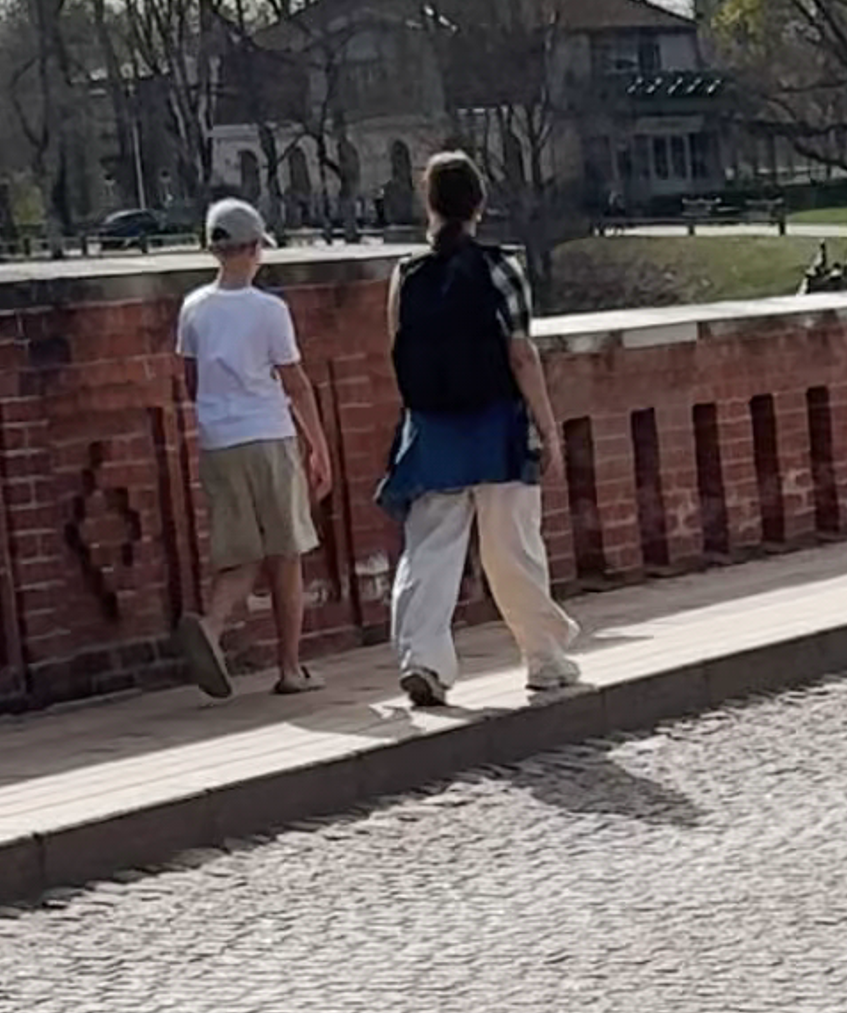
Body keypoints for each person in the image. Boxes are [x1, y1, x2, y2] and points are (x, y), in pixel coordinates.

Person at [380, 147, 583, 714]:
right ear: (480, 205)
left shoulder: (406, 274)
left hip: (432, 430)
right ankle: (543, 658)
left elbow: (398, 350)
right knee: (512, 548)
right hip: (496, 423)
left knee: (429, 553)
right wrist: (548, 428)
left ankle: (423, 660)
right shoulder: (503, 267)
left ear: (429, 205)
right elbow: (522, 356)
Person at [171, 194, 331, 695]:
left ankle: (212, 627)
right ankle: (289, 668)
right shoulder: (270, 311)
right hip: (268, 435)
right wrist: (319, 446)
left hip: (219, 442)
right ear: (253, 249)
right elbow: (295, 383)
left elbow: (191, 380)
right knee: (285, 553)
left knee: (239, 552)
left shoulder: (193, 308)